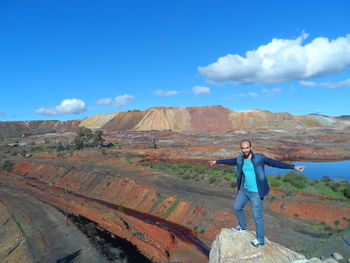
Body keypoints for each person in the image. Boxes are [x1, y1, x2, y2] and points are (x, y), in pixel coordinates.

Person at [209, 140, 305, 248]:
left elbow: (275, 163)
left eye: (247, 147)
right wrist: (216, 161)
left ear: (251, 147)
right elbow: (230, 161)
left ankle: (260, 240)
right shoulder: (240, 159)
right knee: (236, 207)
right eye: (243, 148)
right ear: (241, 149)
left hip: (256, 192)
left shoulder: (260, 158)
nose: (245, 150)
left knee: (257, 217)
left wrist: (293, 167)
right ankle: (242, 226)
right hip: (244, 190)